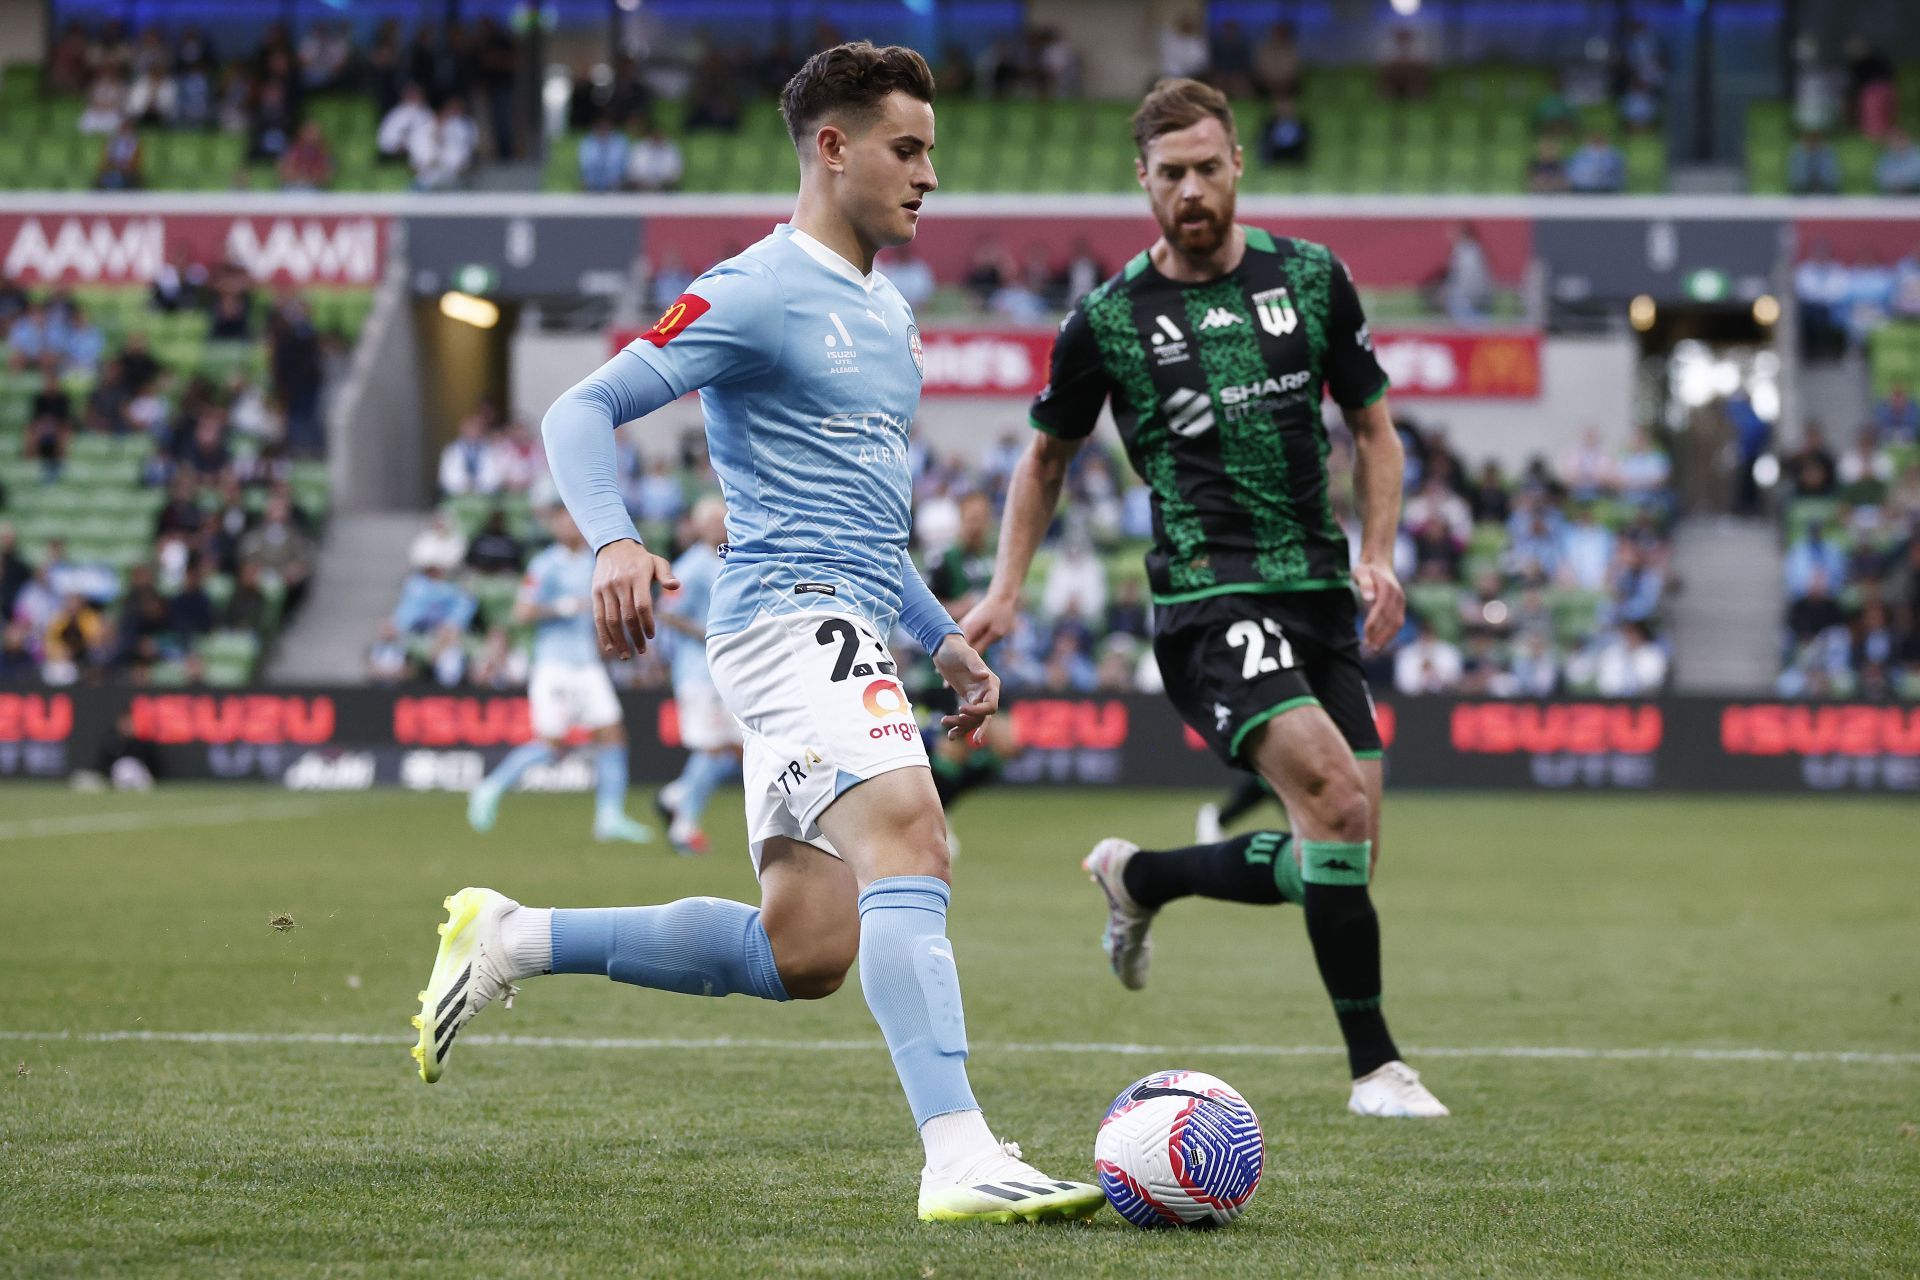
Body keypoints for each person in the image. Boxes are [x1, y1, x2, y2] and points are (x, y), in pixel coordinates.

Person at [410, 42, 1102, 1225]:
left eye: (931, 149)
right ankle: (959, 1152)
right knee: (914, 841)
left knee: (807, 947)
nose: (930, 175)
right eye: (907, 148)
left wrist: (940, 639)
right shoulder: (759, 289)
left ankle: (514, 935)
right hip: (788, 622)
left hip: (848, 618)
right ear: (831, 149)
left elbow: (868, 525)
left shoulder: (887, 312)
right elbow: (582, 406)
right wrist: (615, 540)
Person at [962, 78, 1447, 1120]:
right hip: (1207, 595)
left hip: (1319, 593)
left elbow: (1374, 426)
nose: (1191, 187)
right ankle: (1377, 1071)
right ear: (1142, 181)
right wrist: (1007, 590)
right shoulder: (1108, 317)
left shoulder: (1312, 280)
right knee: (1333, 800)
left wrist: (1381, 551)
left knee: (1344, 851)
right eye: (1170, 172)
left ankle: (1143, 876)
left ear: (1237, 167)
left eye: (1207, 166)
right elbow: (1044, 458)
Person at [464, 502, 653, 844]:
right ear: (554, 527)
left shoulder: (594, 562)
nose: (569, 526)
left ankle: (609, 817)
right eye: (562, 521)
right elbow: (522, 612)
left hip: (587, 664)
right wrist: (560, 607)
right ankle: (489, 787)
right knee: (552, 744)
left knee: (612, 735)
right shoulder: (545, 564)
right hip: (555, 665)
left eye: (574, 520)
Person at [651, 496, 743, 856]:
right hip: (699, 670)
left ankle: (673, 796)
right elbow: (668, 611)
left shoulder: (731, 557)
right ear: (701, 526)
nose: (722, 525)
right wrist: (708, 632)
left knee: (733, 747)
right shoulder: (690, 566)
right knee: (714, 746)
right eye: (716, 520)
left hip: (729, 668)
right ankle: (683, 825)